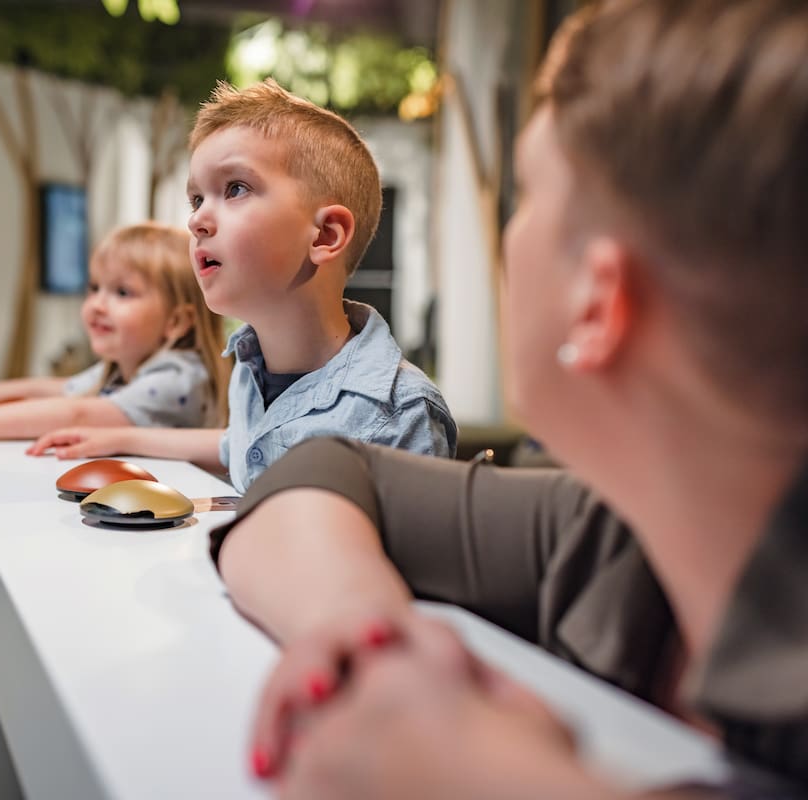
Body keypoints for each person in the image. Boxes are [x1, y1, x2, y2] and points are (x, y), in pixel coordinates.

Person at [209, 0, 808, 795]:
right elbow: (322, 471)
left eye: (525, 196)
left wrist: (483, 769)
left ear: (598, 304)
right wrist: (369, 640)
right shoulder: (620, 534)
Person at [28, 80, 456, 491]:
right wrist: (121, 440)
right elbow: (237, 445)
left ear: (325, 236)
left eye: (235, 188)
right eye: (197, 199)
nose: (196, 220)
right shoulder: (250, 374)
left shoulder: (401, 414)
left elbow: (420, 560)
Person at [0, 222, 229, 480]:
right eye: (94, 287)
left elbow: (77, 413)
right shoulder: (124, 367)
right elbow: (44, 388)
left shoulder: (179, 376)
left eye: (122, 292)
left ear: (175, 321)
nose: (97, 305)